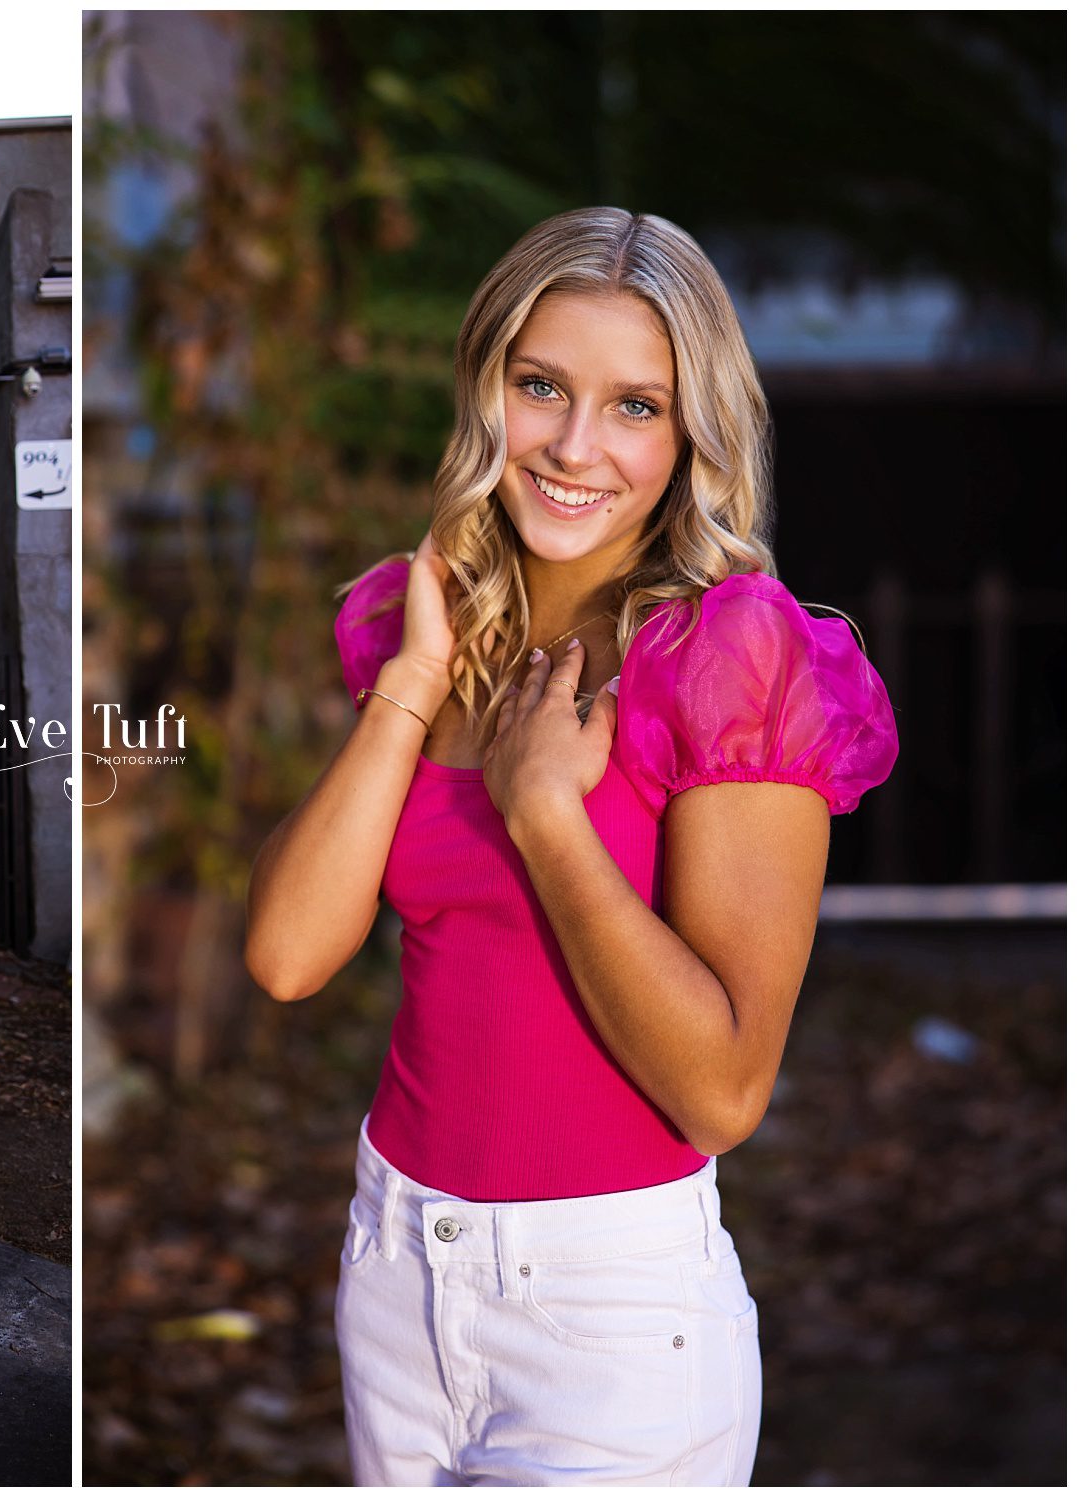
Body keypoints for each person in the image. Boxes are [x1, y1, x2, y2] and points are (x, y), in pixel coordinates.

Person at [243, 207, 899, 1485]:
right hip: (394, 1273)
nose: (573, 445)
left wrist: (547, 819)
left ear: (690, 428)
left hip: (606, 1323)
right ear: (486, 384)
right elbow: (282, 957)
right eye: (539, 385)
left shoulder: (728, 654)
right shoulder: (424, 626)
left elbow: (720, 1092)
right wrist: (418, 679)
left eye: (634, 405)